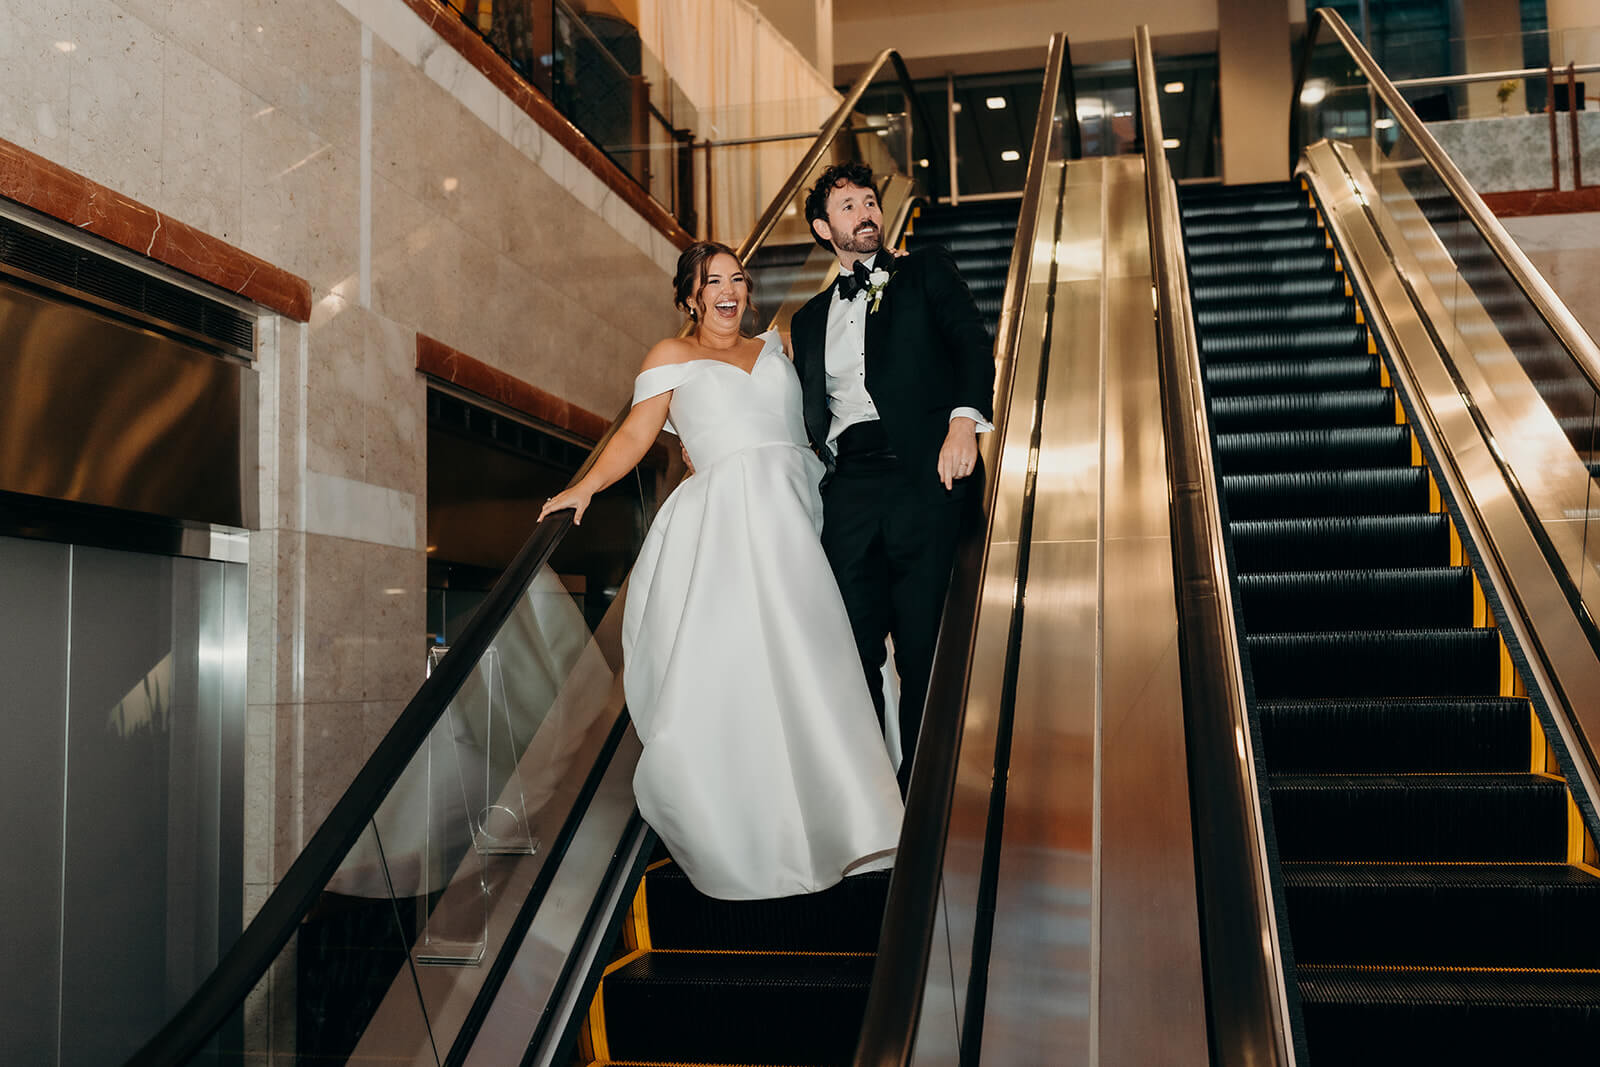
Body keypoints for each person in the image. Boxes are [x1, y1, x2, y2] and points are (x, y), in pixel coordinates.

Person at [538, 241, 902, 900]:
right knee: (745, 669)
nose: (729, 290)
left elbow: (839, 390)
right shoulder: (670, 357)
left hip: (798, 513)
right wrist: (585, 488)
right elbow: (635, 435)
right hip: (728, 526)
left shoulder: (780, 347)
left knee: (818, 659)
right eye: (714, 281)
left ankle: (856, 818)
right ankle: (760, 829)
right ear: (691, 296)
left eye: (738, 278)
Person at [790, 162, 995, 789]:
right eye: (848, 207)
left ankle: (926, 791)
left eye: (870, 202)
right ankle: (870, 792)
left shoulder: (925, 270)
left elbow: (970, 341)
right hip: (849, 487)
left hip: (923, 475)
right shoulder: (806, 320)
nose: (866, 213)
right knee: (851, 645)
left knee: (922, 643)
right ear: (826, 229)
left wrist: (964, 425)